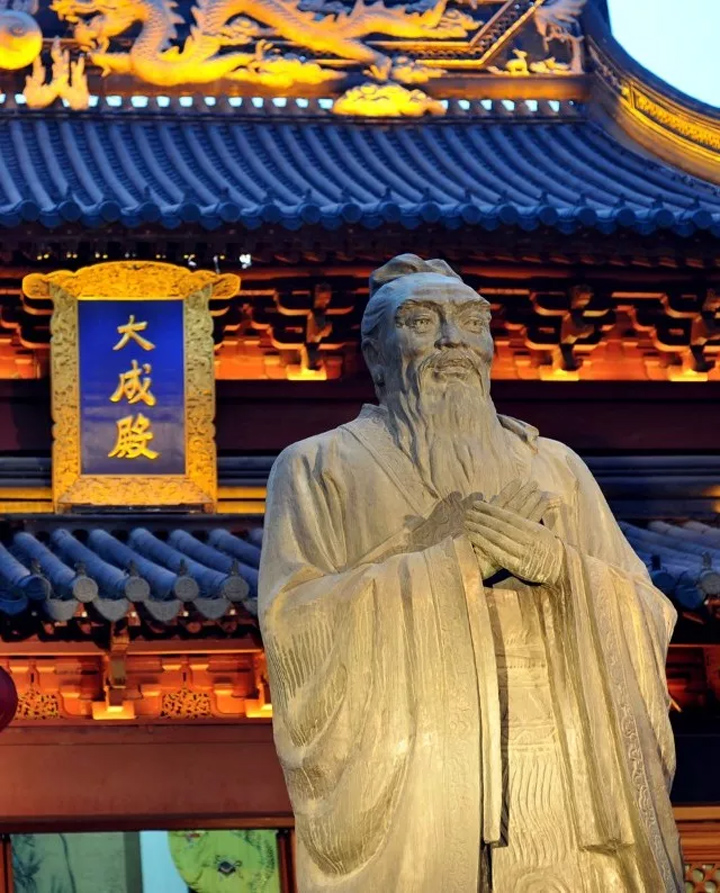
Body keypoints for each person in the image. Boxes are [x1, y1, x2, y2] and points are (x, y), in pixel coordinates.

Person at [259, 254, 683, 892]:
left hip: (568, 762)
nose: (451, 340)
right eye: (421, 322)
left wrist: (562, 569)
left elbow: (649, 609)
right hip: (426, 766)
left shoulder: (556, 466)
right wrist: (452, 564)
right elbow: (293, 622)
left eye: (471, 322)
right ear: (375, 355)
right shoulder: (318, 466)